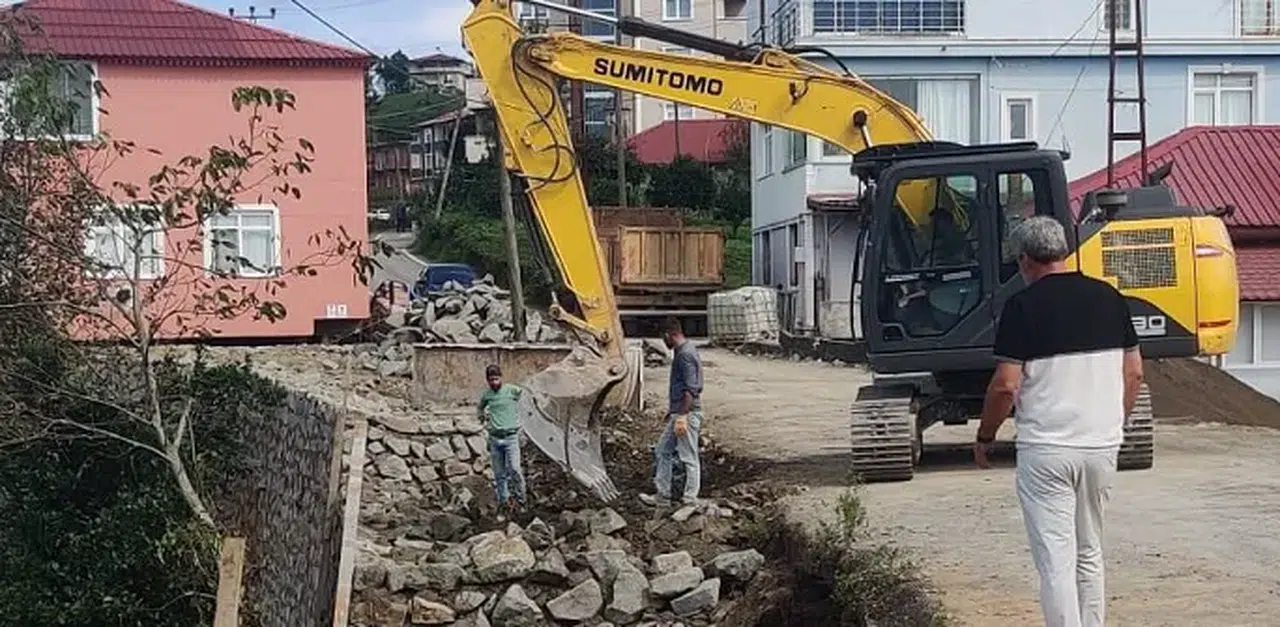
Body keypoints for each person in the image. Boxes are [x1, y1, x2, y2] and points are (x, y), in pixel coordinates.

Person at [973, 216, 1144, 627]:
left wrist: (985, 435)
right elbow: (1135, 372)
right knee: (1090, 552)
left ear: (1026, 260)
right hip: (1100, 446)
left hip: (1048, 449)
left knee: (1056, 559)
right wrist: (1114, 424)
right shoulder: (1109, 298)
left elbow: (1005, 386)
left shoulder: (1021, 307)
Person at [654, 316, 704, 513]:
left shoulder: (685, 355)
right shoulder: (683, 351)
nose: (663, 342)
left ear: (669, 334)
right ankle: (663, 497)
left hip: (688, 414)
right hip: (680, 412)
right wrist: (673, 412)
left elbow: (692, 389)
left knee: (689, 457)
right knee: (662, 451)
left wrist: (682, 415)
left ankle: (690, 500)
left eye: (663, 338)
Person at [478, 364, 526, 518]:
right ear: (487, 380)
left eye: (496, 379)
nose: (494, 382)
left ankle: (521, 501)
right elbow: (480, 408)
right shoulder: (487, 395)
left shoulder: (512, 390)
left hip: (511, 437)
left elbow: (527, 397)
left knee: (515, 469)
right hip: (495, 438)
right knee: (499, 474)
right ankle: (504, 502)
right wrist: (483, 418)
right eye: (491, 380)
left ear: (501, 378)